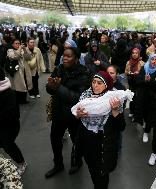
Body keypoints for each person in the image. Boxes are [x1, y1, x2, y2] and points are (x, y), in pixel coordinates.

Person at [75, 71, 126, 189]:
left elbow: (121, 127)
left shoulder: (114, 99)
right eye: (93, 82)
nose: (95, 85)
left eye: (99, 83)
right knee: (93, 172)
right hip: (88, 145)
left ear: (106, 85)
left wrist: (115, 111)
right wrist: (78, 115)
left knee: (102, 177)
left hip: (103, 147)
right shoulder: (85, 96)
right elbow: (77, 119)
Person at [45, 47, 91, 178]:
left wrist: (58, 87)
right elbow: (50, 88)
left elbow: (77, 98)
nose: (64, 58)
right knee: (55, 139)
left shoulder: (84, 74)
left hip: (74, 115)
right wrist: (51, 86)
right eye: (64, 55)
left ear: (76, 59)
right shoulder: (59, 68)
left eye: (68, 56)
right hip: (58, 113)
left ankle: (77, 162)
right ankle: (58, 164)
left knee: (77, 141)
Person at [0, 65, 27, 176]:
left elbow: (12, 115)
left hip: (8, 127)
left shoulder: (8, 94)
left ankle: (21, 163)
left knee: (8, 145)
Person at [135, 54, 156, 143]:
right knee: (143, 113)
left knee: (150, 116)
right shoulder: (144, 68)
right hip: (142, 96)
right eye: (152, 59)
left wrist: (150, 80)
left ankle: (146, 132)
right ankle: (144, 123)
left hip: (152, 98)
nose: (154, 61)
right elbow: (138, 81)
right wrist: (145, 80)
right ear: (149, 60)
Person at [7, 39, 33, 104]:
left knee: (25, 84)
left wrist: (24, 50)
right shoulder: (10, 50)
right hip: (16, 72)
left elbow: (29, 58)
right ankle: (17, 100)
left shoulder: (22, 50)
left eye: (19, 43)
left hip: (25, 70)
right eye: (16, 43)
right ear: (12, 44)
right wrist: (20, 49)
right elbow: (14, 57)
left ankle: (23, 100)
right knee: (17, 86)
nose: (18, 45)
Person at [124, 48, 145, 118]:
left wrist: (138, 73)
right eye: (133, 53)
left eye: (136, 53)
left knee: (138, 98)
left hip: (139, 83)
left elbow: (144, 73)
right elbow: (125, 72)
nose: (134, 54)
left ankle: (136, 114)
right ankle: (131, 111)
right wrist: (129, 73)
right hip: (131, 82)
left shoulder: (142, 63)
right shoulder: (128, 62)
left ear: (138, 54)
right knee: (132, 97)